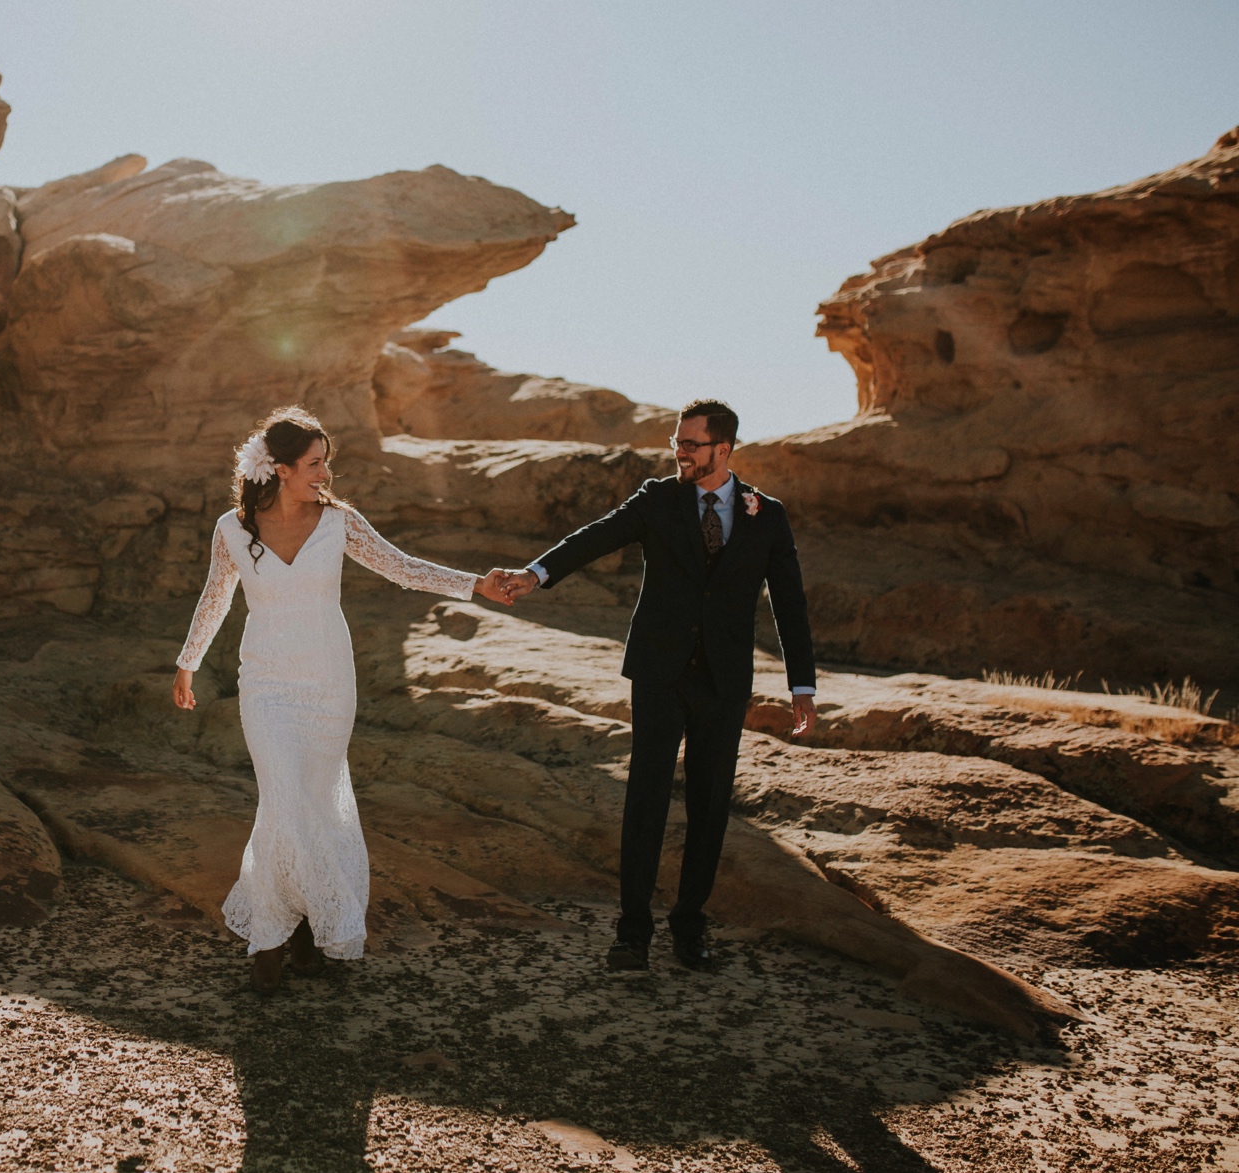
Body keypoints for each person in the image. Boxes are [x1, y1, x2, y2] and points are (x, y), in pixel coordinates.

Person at [172, 406, 518, 992]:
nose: (325, 474)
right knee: (284, 798)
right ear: (279, 470)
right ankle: (271, 942)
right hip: (265, 682)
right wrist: (188, 663)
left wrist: (474, 584)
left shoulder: (340, 523)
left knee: (308, 803)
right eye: (314, 464)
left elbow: (401, 568)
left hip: (328, 681)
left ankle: (299, 932)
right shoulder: (232, 529)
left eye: (326, 463)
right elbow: (215, 598)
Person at [491, 398, 817, 971]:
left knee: (711, 805)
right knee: (646, 800)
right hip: (660, 673)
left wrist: (802, 684)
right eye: (677, 442)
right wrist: (534, 574)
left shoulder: (766, 513)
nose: (679, 453)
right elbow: (596, 537)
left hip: (724, 679)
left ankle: (690, 930)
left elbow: (788, 599)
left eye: (690, 444)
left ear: (724, 449)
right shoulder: (658, 499)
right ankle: (632, 934)